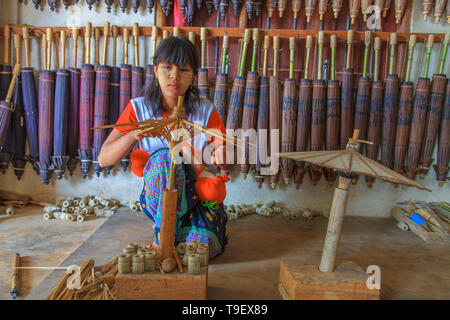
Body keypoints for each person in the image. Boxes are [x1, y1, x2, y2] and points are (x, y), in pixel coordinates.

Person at [98, 36, 231, 259]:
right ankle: (163, 231)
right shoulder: (138, 109)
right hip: (158, 200)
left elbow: (226, 163)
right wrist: (134, 134)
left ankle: (177, 231)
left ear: (193, 75)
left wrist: (222, 156)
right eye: (167, 67)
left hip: (197, 198)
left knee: (200, 251)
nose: (174, 76)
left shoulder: (206, 111)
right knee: (166, 160)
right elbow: (104, 158)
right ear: (155, 70)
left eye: (183, 69)